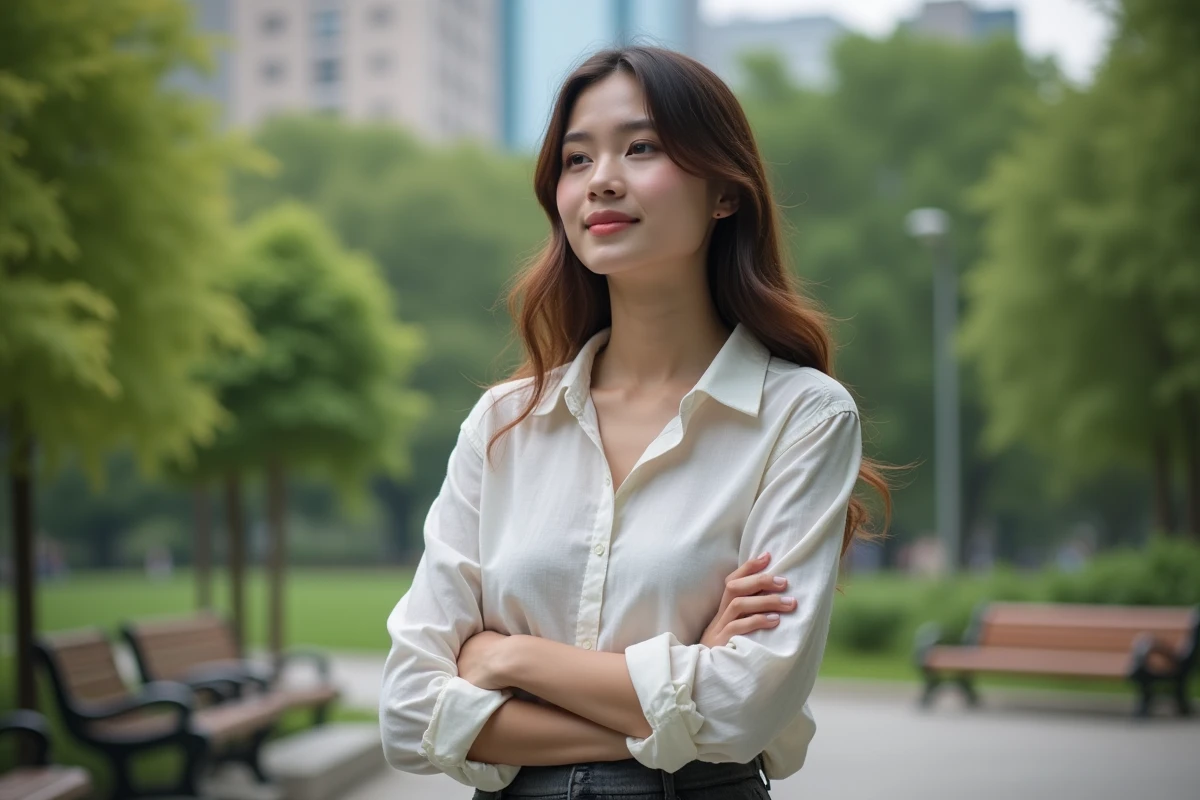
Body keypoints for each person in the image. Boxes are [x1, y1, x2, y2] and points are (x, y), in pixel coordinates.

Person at [380, 46, 891, 800]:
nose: (602, 181)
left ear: (725, 191)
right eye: (577, 159)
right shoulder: (504, 424)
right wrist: (677, 695)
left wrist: (510, 660)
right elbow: (405, 709)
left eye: (641, 147)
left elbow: (747, 702)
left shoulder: (802, 416)